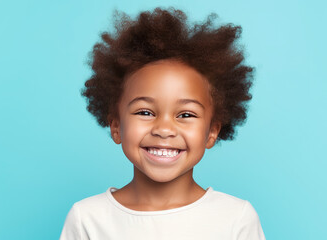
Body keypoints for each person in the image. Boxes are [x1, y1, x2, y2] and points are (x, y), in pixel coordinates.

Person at [60, 7, 265, 240]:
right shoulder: (87, 218)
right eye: (145, 112)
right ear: (116, 126)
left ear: (212, 132)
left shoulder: (236, 218)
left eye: (186, 115)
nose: (164, 129)